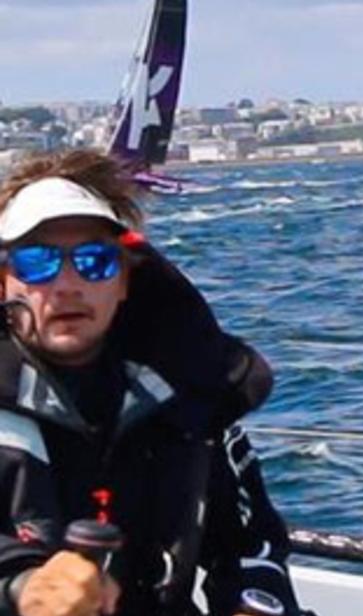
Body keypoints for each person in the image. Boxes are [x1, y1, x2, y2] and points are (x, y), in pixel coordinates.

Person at [0, 150, 302, 616]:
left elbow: (250, 542)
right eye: (38, 262)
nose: (67, 285)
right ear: (4, 282)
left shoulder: (191, 392)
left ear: (124, 279)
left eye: (95, 261)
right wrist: (22, 585)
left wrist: (254, 605)